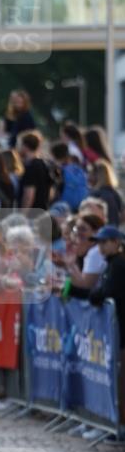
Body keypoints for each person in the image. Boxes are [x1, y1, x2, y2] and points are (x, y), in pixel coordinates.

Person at [89, 226, 125, 427]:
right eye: (99, 243)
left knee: (120, 380)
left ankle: (119, 425)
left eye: (104, 242)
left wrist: (95, 295)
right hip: (115, 330)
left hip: (121, 331)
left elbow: (105, 293)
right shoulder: (111, 264)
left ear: (116, 242)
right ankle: (113, 423)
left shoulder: (119, 264)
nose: (100, 247)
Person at [17, 131, 53, 211]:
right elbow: (51, 193)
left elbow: (29, 195)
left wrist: (22, 215)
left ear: (25, 146)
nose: (18, 149)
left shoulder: (31, 167)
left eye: (20, 145)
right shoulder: (44, 164)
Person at [87, 159, 124, 226]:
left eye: (90, 174)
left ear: (96, 176)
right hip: (114, 230)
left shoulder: (95, 194)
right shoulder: (114, 193)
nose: (88, 177)